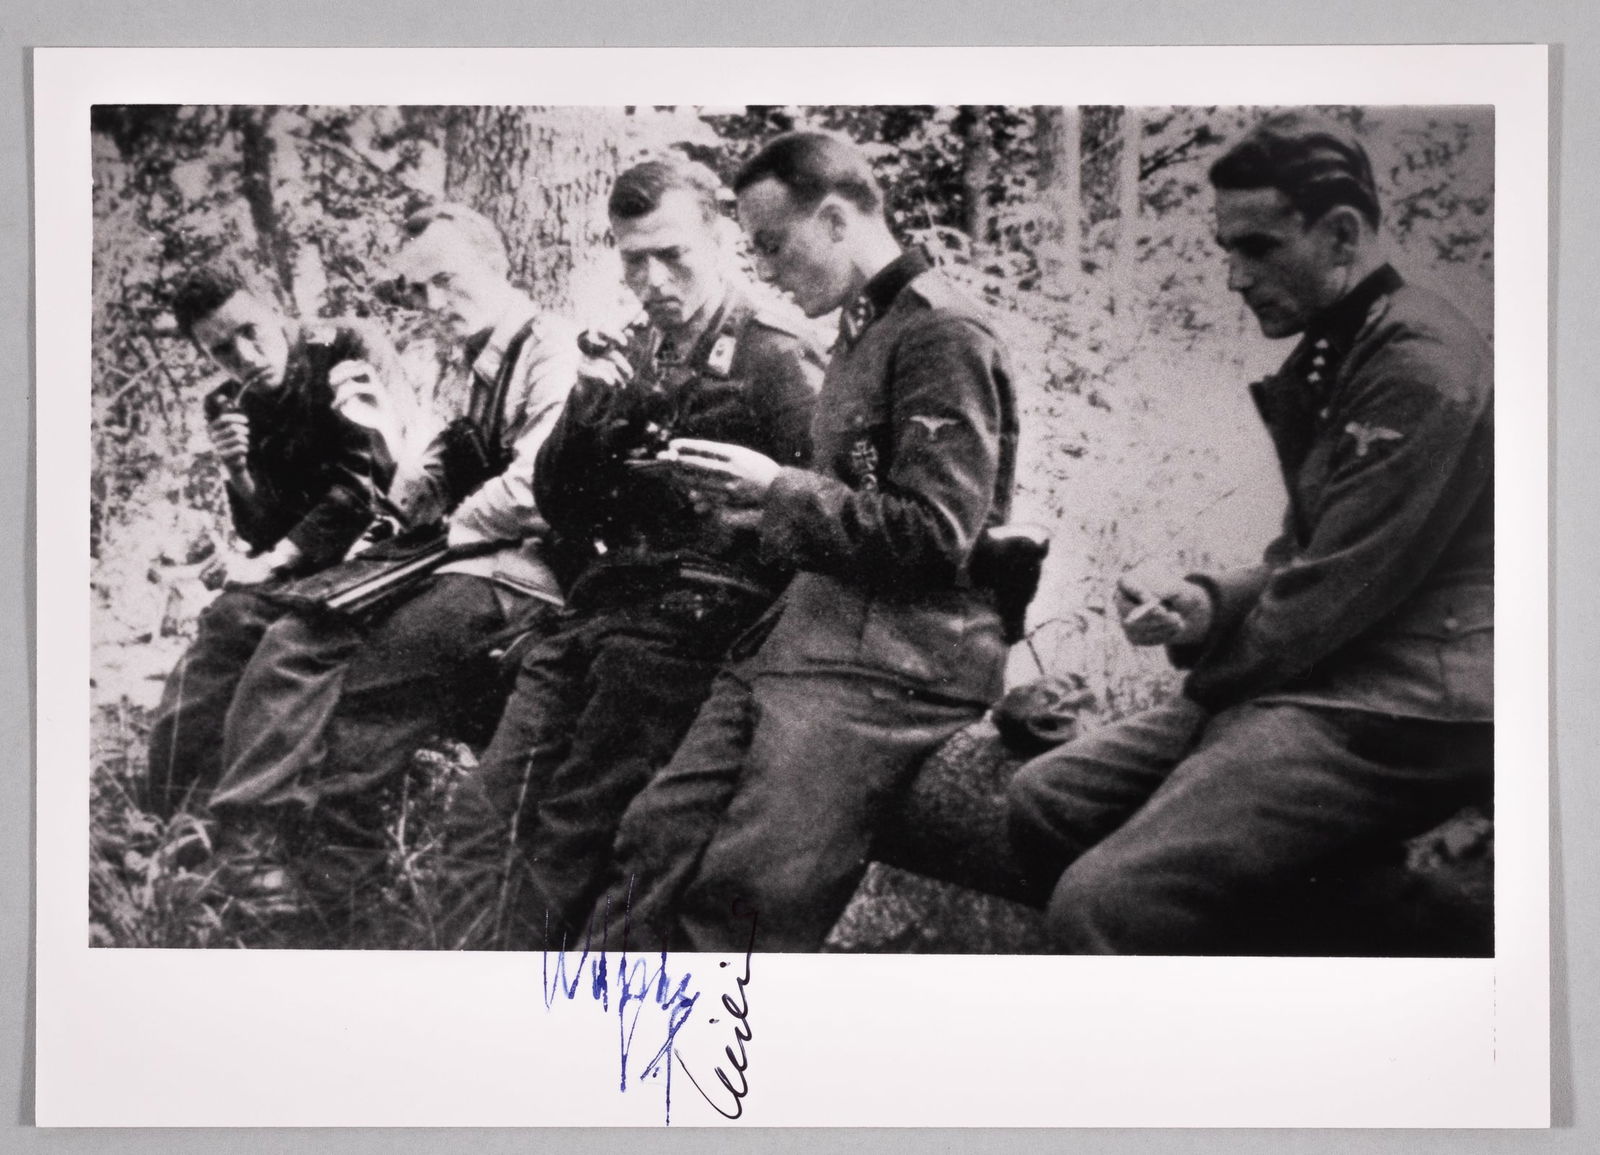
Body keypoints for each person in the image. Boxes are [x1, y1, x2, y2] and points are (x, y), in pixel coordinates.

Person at [1006, 113, 1494, 955]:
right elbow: (1307, 556)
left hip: (1401, 701)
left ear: (1342, 234)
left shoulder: (1419, 362)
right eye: (1225, 247)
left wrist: (1211, 686)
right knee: (1044, 802)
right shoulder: (1339, 349)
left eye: (1260, 247)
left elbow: (1336, 587)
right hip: (1333, 672)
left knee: (1104, 905)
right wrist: (1202, 603)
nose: (1234, 276)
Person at [586, 131, 1019, 954]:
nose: (765, 269)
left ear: (833, 219)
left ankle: (710, 1075)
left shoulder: (941, 333)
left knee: (742, 899)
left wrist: (777, 491)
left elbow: (937, 533)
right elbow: (852, 499)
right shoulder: (864, 324)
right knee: (650, 838)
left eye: (773, 245)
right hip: (804, 639)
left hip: (898, 663)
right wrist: (750, 511)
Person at [442, 156, 823, 950]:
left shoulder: (774, 358)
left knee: (570, 833)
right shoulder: (633, 351)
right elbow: (560, 502)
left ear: (720, 242)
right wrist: (586, 407)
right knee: (483, 818)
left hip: (686, 638)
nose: (652, 279)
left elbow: (821, 521)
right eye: (633, 260)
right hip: (597, 616)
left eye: (673, 255)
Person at [203, 204, 580, 899]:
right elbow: (421, 490)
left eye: (448, 279)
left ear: (495, 265)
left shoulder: (553, 347)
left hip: (523, 577)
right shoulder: (470, 364)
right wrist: (389, 433)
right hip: (465, 561)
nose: (434, 303)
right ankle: (265, 861)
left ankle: (324, 896)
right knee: (294, 627)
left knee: (360, 701)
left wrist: (441, 533)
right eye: (419, 290)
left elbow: (536, 487)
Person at [145, 269, 399, 819]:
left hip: (380, 554)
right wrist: (236, 471)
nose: (245, 355)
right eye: (220, 350)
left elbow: (367, 486)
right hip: (302, 564)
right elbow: (260, 530)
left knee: (284, 640)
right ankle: (162, 813)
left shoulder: (346, 348)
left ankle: (251, 827)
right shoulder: (229, 403)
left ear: (275, 305)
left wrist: (274, 562)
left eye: (250, 331)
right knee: (227, 620)